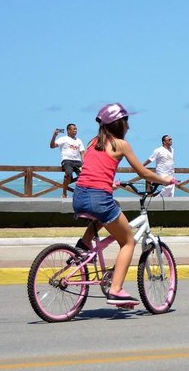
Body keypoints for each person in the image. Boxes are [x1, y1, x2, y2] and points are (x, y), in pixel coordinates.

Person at [72, 103, 175, 305]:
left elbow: (93, 169)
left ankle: (83, 244)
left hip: (79, 196)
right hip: (99, 198)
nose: (128, 126)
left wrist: (111, 183)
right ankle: (116, 289)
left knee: (111, 206)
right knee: (128, 240)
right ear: (119, 124)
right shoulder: (121, 144)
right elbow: (144, 172)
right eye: (126, 121)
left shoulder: (94, 142)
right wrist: (167, 180)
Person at [49, 124, 85, 198]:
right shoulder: (63, 139)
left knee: (84, 176)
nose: (75, 130)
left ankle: (81, 194)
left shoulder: (79, 140)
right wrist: (54, 136)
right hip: (67, 160)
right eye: (73, 129)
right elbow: (52, 146)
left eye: (76, 129)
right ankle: (64, 193)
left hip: (77, 161)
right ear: (68, 130)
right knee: (68, 175)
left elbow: (82, 153)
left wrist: (84, 163)